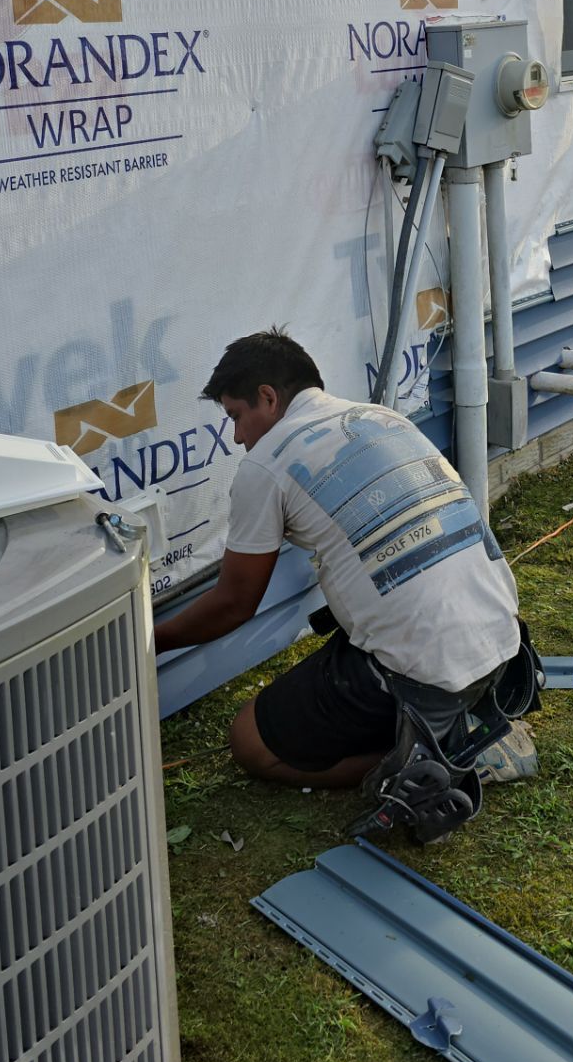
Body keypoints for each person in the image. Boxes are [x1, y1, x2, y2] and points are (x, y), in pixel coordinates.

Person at [153, 327, 524, 795]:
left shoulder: (265, 464)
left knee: (250, 741)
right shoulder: (383, 418)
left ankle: (437, 756)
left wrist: (152, 639)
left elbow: (234, 603)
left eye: (236, 417)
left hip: (428, 674)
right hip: (503, 642)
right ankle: (468, 722)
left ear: (268, 397)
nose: (238, 436)